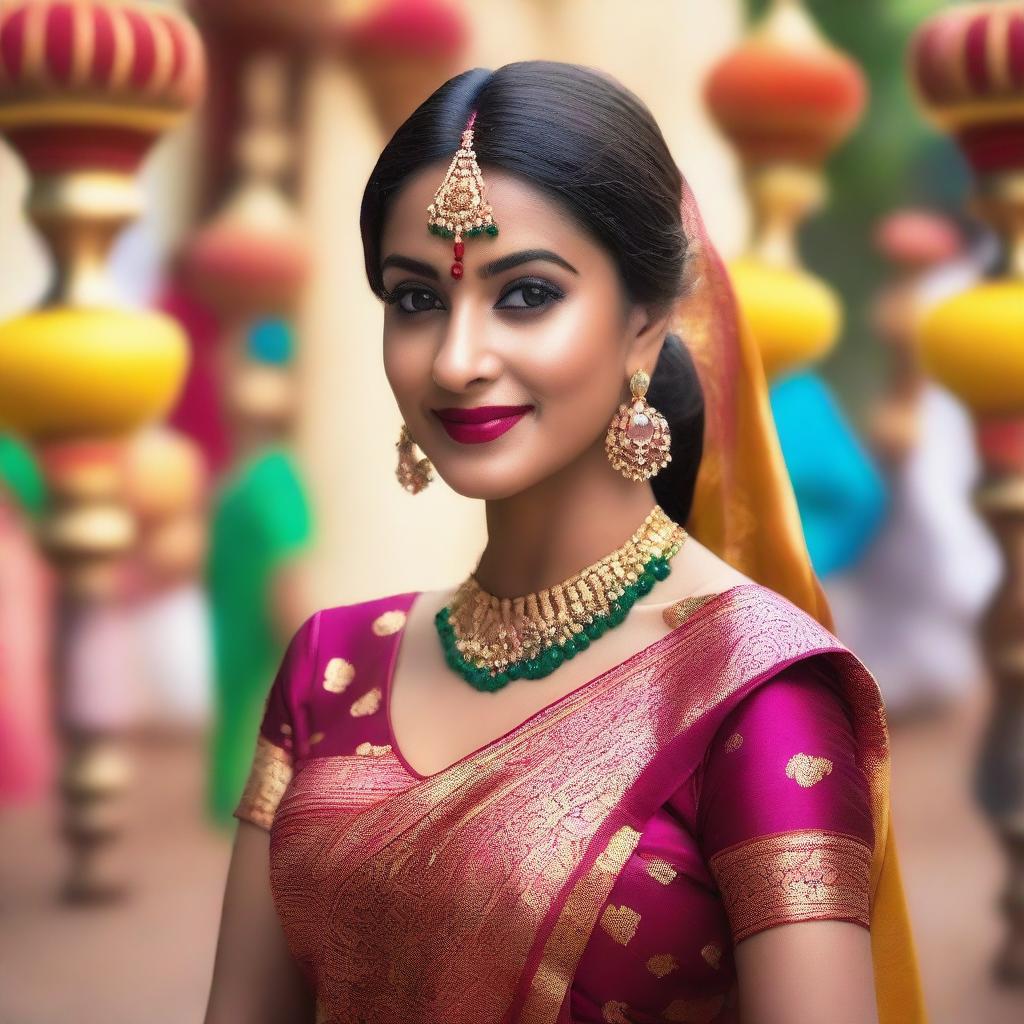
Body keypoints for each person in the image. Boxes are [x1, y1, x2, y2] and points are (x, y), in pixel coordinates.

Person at [205, 62, 923, 1023]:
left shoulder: (755, 699)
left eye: (527, 294)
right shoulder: (331, 666)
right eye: (416, 299)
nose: (458, 361)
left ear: (646, 324)